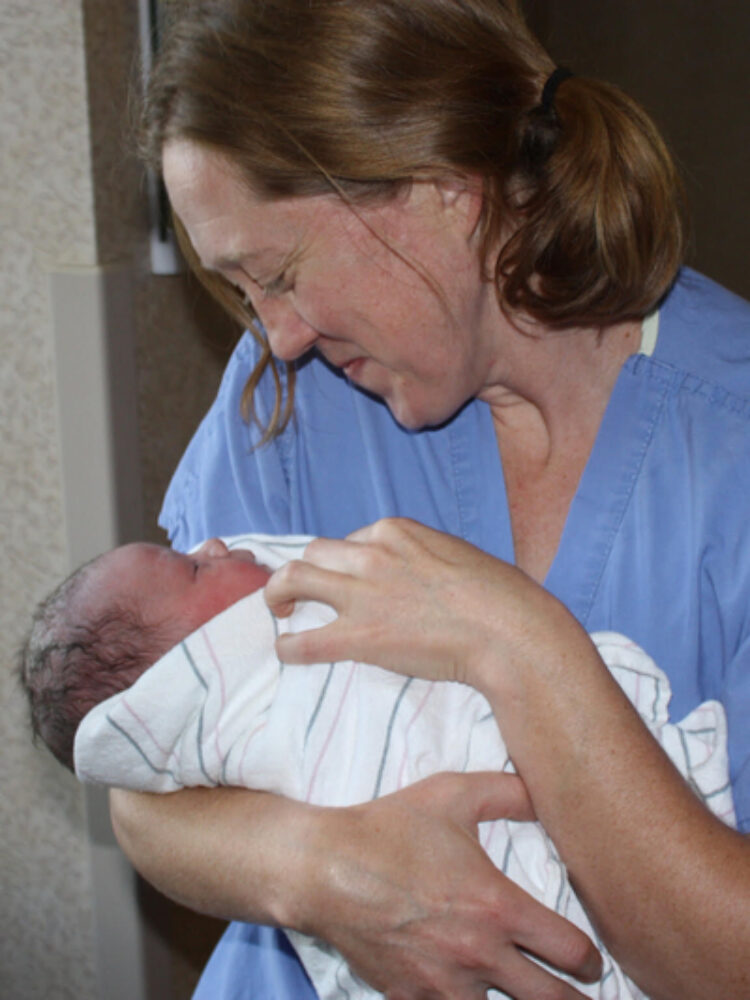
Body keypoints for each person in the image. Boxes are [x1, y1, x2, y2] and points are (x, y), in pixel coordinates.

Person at [110, 1, 750, 997]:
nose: (274, 335)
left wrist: (520, 647)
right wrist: (322, 872)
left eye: (278, 273)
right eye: (243, 294)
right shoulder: (291, 404)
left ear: (445, 186)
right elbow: (144, 776)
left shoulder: (729, 441)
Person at [20, 533, 735, 1000]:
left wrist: (523, 645)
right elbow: (132, 795)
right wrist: (319, 865)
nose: (213, 541)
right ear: (186, 671)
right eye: (193, 566)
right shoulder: (254, 673)